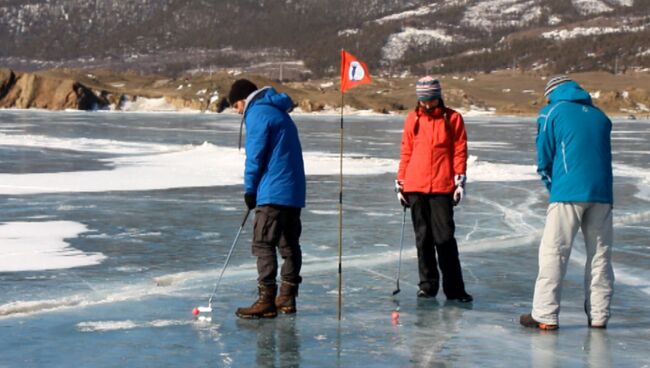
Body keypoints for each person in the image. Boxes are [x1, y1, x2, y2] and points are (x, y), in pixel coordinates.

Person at [520, 75, 614, 330]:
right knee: (600, 257)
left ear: (552, 93)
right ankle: (599, 316)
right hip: (603, 194)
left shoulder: (551, 112)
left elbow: (544, 157)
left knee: (554, 252)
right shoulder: (601, 116)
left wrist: (554, 187)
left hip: (567, 193)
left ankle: (546, 315)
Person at [227, 79, 306, 319]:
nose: (236, 111)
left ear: (243, 99)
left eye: (235, 106)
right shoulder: (278, 111)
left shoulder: (257, 113)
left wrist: (250, 190)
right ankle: (287, 297)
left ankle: (266, 300)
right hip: (292, 191)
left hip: (272, 191)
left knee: (263, 243)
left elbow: (256, 155)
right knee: (289, 244)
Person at [395, 76, 473, 303]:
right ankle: (427, 286)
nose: (428, 105)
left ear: (438, 97)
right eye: (423, 101)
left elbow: (459, 150)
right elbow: (406, 151)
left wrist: (459, 181)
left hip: (442, 186)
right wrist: (401, 182)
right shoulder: (413, 119)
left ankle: (455, 290)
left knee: (445, 238)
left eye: (431, 100)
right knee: (423, 239)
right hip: (415, 186)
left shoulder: (453, 118)